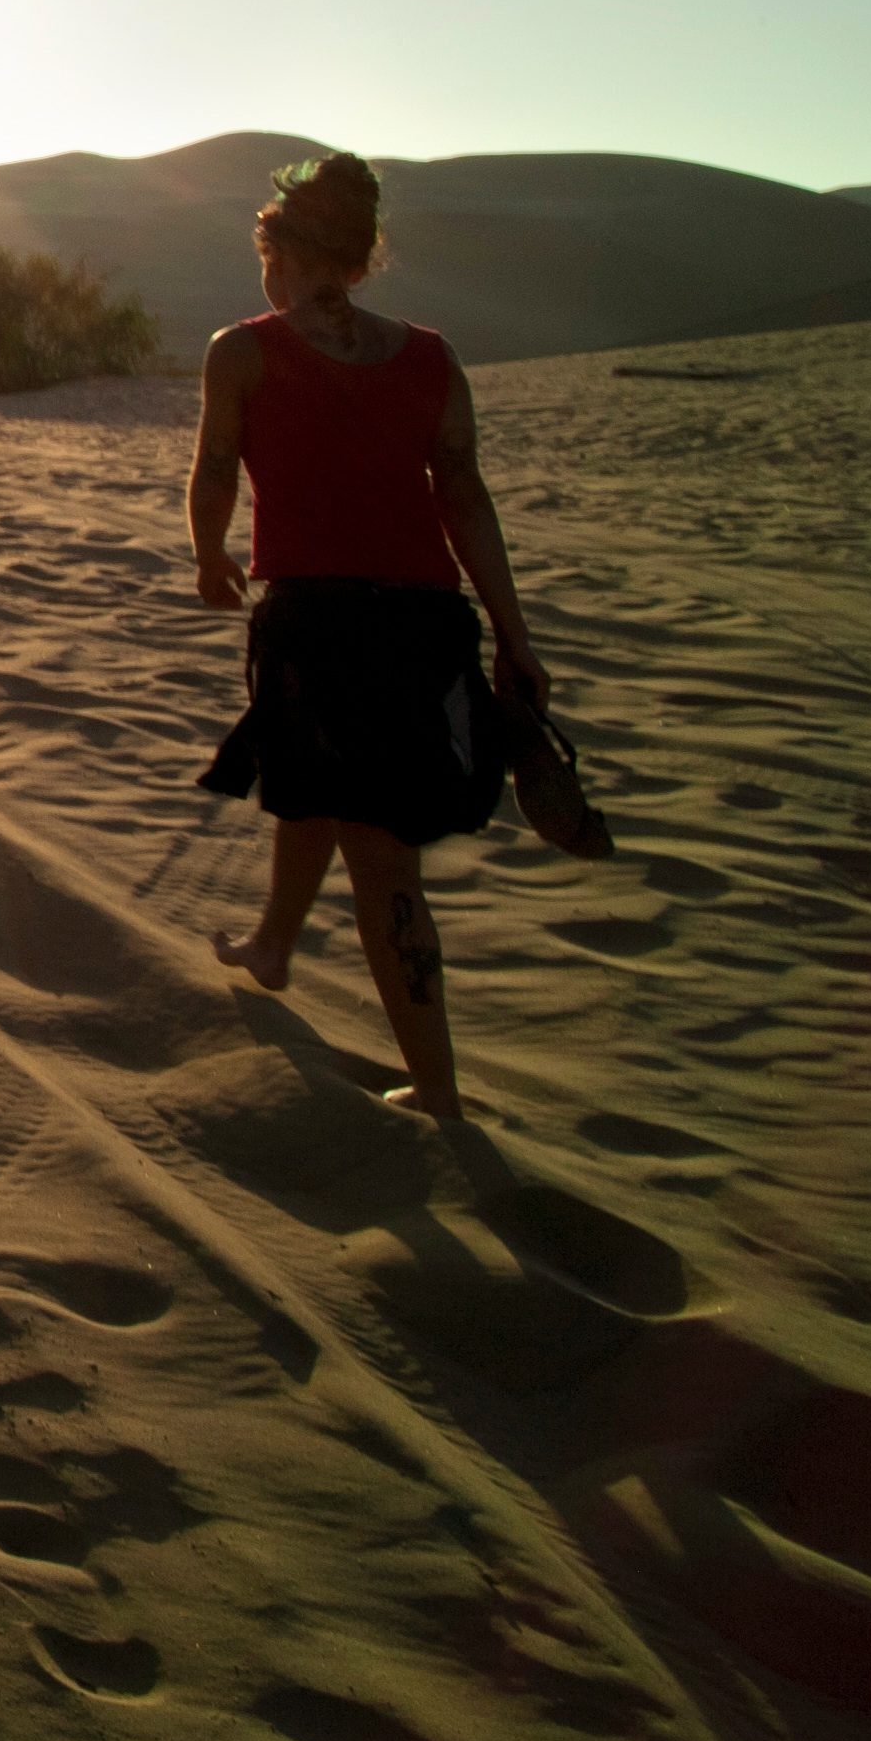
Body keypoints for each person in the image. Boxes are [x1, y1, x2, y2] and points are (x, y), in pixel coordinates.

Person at [187, 152, 549, 1122]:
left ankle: (437, 1091)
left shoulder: (244, 348)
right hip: (428, 622)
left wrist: (208, 551)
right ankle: (272, 943)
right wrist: (513, 633)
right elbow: (464, 497)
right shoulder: (431, 354)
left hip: (320, 624)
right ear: (360, 254)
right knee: (313, 784)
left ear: (279, 250)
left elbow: (217, 461)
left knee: (382, 857)